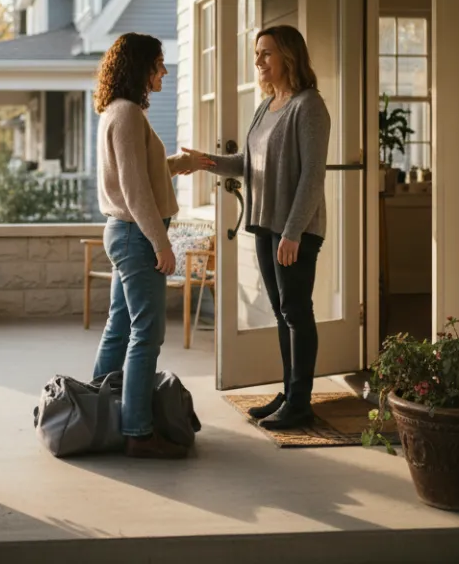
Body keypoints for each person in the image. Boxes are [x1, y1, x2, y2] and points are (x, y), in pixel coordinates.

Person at [185, 25, 331, 430]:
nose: (258, 61)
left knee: (297, 311)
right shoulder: (266, 107)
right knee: (283, 311)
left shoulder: (309, 106)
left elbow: (312, 176)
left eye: (265, 53)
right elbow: (247, 166)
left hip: (294, 229)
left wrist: (293, 232)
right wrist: (206, 161)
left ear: (289, 56)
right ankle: (290, 391)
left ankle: (300, 403)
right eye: (257, 53)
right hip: (267, 223)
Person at [92, 32, 201, 459]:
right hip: (136, 236)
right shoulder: (128, 114)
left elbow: (140, 173)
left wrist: (180, 163)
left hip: (126, 233)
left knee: (120, 328)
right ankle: (138, 432)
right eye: (159, 63)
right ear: (140, 67)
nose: (165, 71)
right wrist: (162, 244)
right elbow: (135, 191)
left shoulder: (118, 112)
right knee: (146, 334)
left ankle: (100, 414)